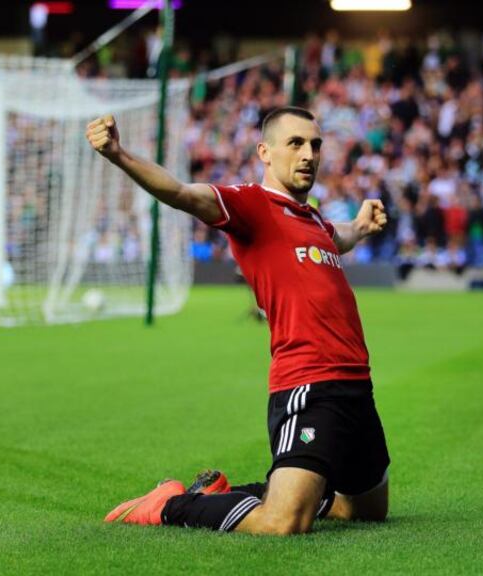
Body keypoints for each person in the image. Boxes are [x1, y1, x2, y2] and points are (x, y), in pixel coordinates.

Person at [91, 107, 390, 535]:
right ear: (265, 152)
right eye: (295, 143)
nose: (309, 154)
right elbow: (181, 192)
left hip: (357, 384)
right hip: (309, 384)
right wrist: (119, 155)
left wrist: (359, 227)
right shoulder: (252, 205)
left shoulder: (313, 219)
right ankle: (170, 505)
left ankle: (239, 492)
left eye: (315, 145)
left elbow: (334, 237)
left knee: (365, 510)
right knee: (283, 522)